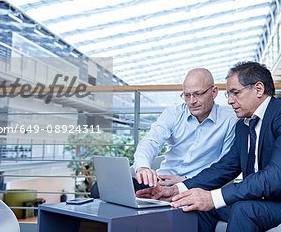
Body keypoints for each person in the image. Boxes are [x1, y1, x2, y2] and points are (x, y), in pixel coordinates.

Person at [137, 61, 281, 231]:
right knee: (195, 205)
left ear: (258, 89)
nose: (230, 101)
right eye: (228, 95)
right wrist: (179, 190)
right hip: (269, 199)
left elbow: (278, 176)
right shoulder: (244, 124)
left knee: (244, 209)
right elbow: (225, 167)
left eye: (235, 93)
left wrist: (214, 197)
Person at [90, 68, 238, 198]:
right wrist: (143, 168)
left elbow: (224, 165)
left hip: (196, 187)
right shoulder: (173, 113)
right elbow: (151, 142)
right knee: (99, 188)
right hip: (162, 182)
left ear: (214, 92)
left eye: (198, 94)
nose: (192, 101)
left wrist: (185, 182)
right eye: (187, 95)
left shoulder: (230, 119)